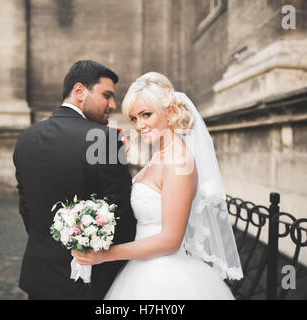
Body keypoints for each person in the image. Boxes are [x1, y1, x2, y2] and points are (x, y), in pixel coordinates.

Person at [74, 72, 243, 299]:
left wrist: (106, 254)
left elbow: (170, 241)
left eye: (146, 114)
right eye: (134, 118)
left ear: (170, 112)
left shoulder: (178, 162)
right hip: (140, 267)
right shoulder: (160, 157)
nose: (139, 125)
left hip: (165, 276)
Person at [13, 60, 136, 300]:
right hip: (90, 281)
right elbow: (121, 215)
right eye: (107, 95)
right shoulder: (106, 139)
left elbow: (26, 207)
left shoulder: (27, 137)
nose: (113, 105)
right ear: (79, 91)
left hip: (39, 274)